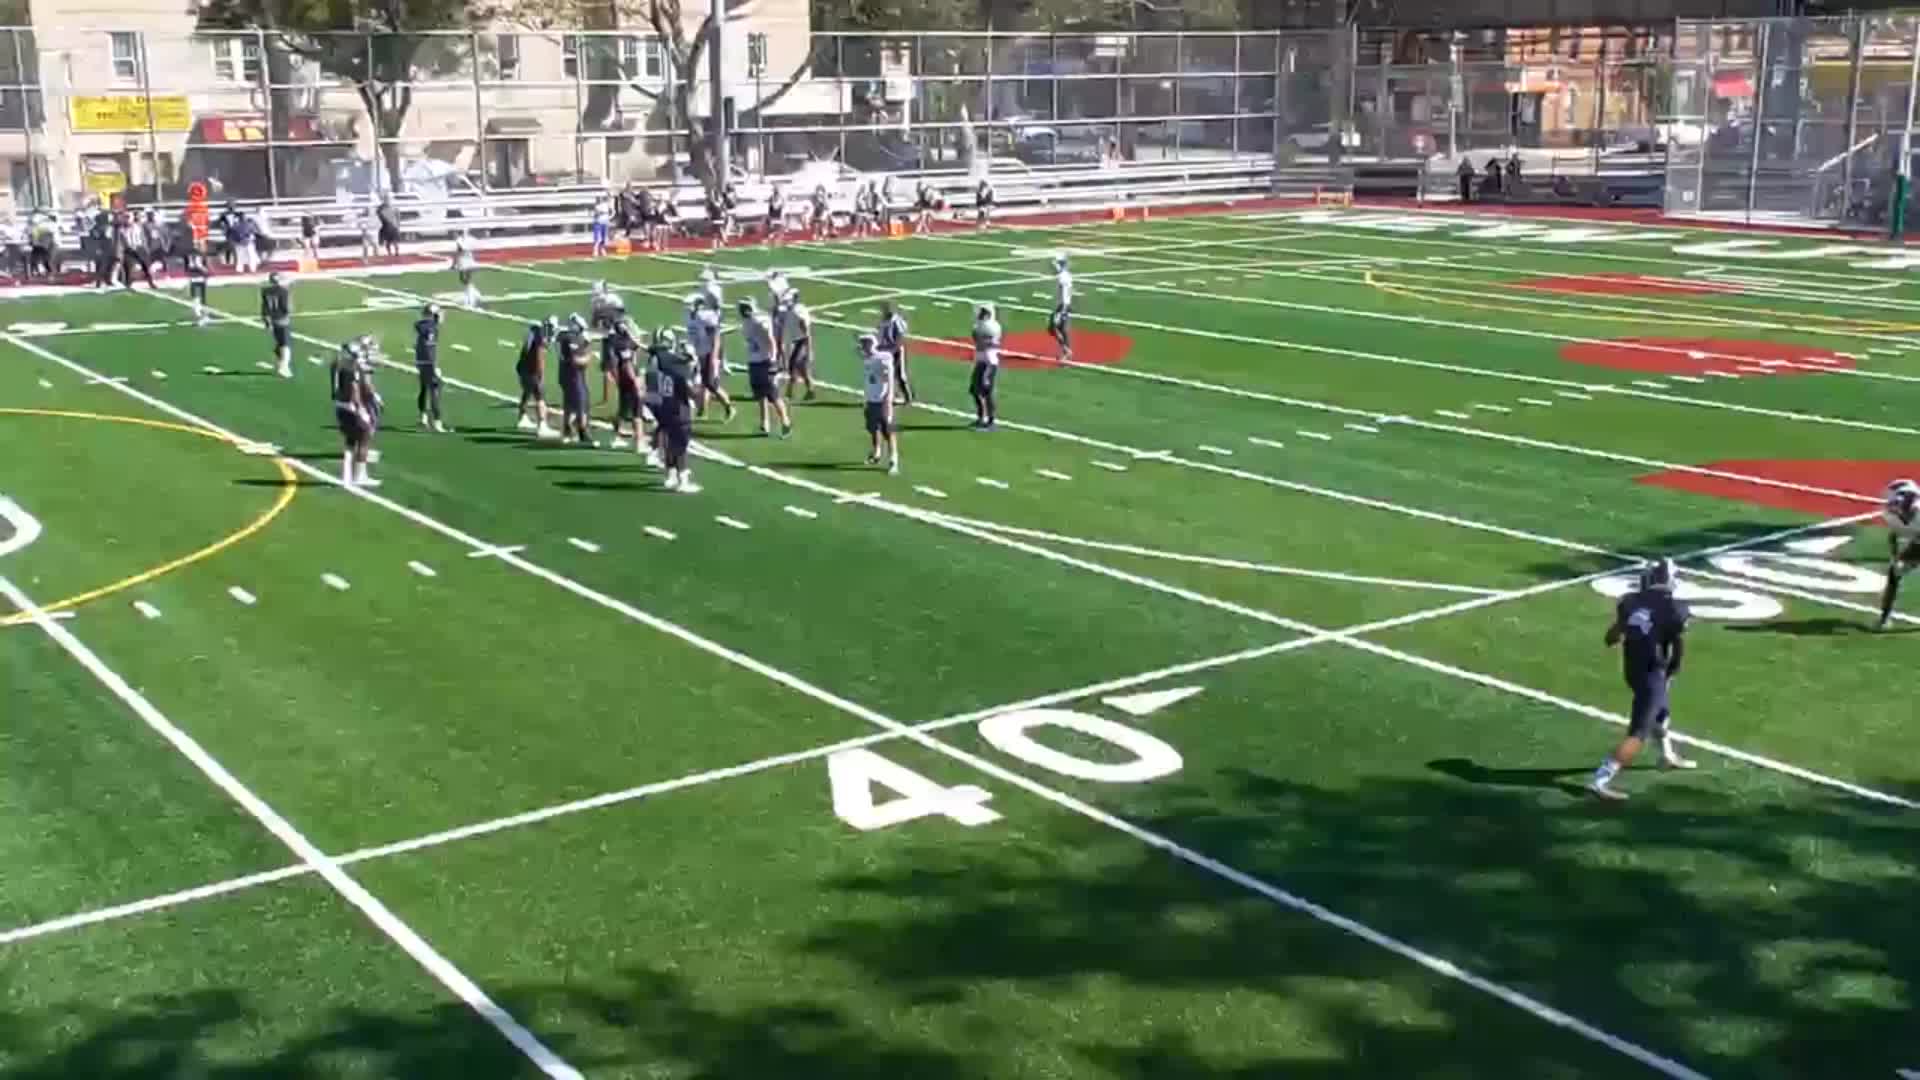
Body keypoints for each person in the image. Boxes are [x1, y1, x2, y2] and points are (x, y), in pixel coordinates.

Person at [1587, 558, 1696, 802]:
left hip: (1632, 670)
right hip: (1652, 672)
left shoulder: (1629, 602)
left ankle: (1666, 755)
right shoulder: (1676, 609)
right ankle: (1601, 779)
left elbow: (1611, 637)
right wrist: (1672, 670)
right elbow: (1678, 648)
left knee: (1661, 711)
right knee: (1639, 733)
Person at [739, 298, 791, 439]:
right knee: (759, 394)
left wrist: (773, 360)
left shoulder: (760, 321)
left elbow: (771, 340)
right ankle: (764, 423)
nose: (741, 311)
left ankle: (785, 422)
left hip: (765, 361)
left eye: (743, 308)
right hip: (753, 361)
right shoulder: (747, 322)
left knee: (772, 395)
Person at [332, 340, 379, 488]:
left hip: (339, 406)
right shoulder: (352, 369)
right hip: (351, 407)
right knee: (365, 438)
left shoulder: (338, 365)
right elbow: (354, 390)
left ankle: (346, 475)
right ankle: (360, 475)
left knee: (350, 442)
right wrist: (361, 410)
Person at [657, 332, 699, 493]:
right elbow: (692, 393)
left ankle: (671, 475)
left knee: (671, 443)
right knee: (681, 446)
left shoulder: (666, 365)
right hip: (679, 410)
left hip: (666, 407)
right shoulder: (682, 371)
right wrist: (696, 376)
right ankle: (683, 480)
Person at [1876, 479, 1920, 630]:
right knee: (1894, 573)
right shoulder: (1891, 515)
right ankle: (1884, 618)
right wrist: (1895, 559)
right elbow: (1893, 536)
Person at [860, 333, 900, 475]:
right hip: (871, 400)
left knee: (887, 431)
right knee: (873, 428)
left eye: (864, 344)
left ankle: (893, 460)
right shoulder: (868, 360)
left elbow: (889, 379)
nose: (862, 347)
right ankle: (876, 453)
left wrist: (888, 399)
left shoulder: (882, 360)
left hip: (882, 400)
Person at [516, 317, 558, 437]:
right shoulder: (541, 337)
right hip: (532, 370)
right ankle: (542, 426)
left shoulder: (534, 332)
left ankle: (522, 417)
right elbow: (540, 357)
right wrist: (540, 374)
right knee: (540, 398)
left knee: (527, 392)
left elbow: (526, 349)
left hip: (523, 367)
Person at [556, 313, 594, 446]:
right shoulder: (570, 339)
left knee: (569, 404)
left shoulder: (564, 337)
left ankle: (567, 431)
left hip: (568, 375)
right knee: (581, 403)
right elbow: (576, 360)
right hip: (573, 376)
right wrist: (588, 355)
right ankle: (582, 432)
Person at [608, 318, 646, 450]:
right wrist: (635, 380)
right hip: (629, 379)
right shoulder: (624, 343)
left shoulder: (616, 341)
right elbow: (627, 364)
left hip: (623, 379)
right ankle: (639, 442)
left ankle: (616, 436)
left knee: (623, 409)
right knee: (637, 412)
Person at [413, 302, 450, 432]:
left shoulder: (422, 326)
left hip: (420, 361)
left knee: (424, 388)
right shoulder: (431, 329)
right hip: (428, 363)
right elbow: (429, 347)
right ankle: (437, 422)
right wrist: (434, 367)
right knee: (435, 389)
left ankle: (422, 418)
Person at [970, 302, 1002, 430]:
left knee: (987, 391)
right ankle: (981, 416)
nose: (980, 314)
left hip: (989, 363)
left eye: (982, 312)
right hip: (981, 361)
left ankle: (991, 420)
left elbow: (982, 341)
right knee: (974, 390)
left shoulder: (991, 327)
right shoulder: (982, 325)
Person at [877, 300, 911, 404]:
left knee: (899, 375)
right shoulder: (884, 320)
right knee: (887, 374)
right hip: (886, 350)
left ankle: (907, 397)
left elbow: (899, 338)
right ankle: (892, 394)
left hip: (895, 350)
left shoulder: (896, 321)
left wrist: (894, 349)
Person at [260, 270, 293, 377]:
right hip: (282, 319)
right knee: (286, 345)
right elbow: (286, 307)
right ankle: (284, 367)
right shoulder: (283, 291)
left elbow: (264, 307)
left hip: (272, 320)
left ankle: (280, 363)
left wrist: (266, 321)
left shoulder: (265, 291)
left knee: (279, 343)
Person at [785, 295, 815, 401]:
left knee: (793, 366)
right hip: (797, 341)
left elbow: (806, 332)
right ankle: (810, 390)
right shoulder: (795, 309)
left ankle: (789, 393)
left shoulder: (797, 312)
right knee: (802, 368)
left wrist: (809, 349)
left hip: (800, 342)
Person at [117, 210, 153, 289]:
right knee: (128, 269)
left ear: (132, 218)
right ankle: (128, 285)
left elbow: (142, 238)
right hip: (128, 250)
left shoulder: (137, 227)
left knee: (145, 267)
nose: (127, 219)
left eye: (128, 217)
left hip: (139, 248)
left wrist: (145, 248)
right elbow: (123, 241)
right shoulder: (121, 229)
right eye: (125, 217)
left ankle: (151, 282)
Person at [1049, 253, 1074, 363]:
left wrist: (1063, 310)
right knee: (1061, 329)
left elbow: (1064, 295)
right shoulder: (1066, 275)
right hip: (1064, 305)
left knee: (1053, 327)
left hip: (1063, 306)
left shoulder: (1063, 277)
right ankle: (1066, 351)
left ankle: (1066, 350)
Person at [452, 229, 480, 307]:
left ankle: (471, 296)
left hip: (464, 261)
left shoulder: (459, 241)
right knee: (466, 279)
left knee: (463, 279)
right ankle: (471, 292)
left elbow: (459, 252)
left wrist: (454, 263)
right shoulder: (469, 239)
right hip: (469, 260)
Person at [185, 245, 211, 326]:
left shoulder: (196, 260)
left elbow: (203, 269)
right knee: (199, 299)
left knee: (197, 299)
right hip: (197, 279)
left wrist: (205, 274)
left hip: (198, 280)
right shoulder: (194, 259)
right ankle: (203, 315)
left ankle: (202, 316)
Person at [591, 192, 611, 257]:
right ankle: (595, 250)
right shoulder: (596, 206)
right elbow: (596, 214)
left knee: (603, 238)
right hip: (598, 223)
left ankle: (602, 249)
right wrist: (600, 213)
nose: (599, 199)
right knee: (597, 238)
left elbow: (609, 199)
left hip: (604, 222)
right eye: (598, 198)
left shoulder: (605, 204)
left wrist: (608, 193)